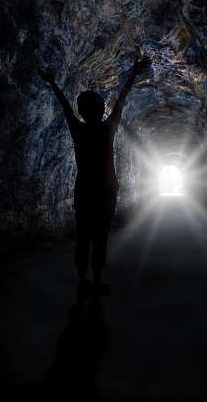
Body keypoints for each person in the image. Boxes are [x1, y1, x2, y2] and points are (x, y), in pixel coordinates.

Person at [38, 54, 152, 298]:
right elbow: (122, 97)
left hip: (84, 191)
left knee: (84, 238)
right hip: (106, 192)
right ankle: (97, 280)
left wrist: (53, 83)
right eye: (101, 105)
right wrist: (133, 72)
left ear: (82, 111)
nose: (103, 108)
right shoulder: (108, 127)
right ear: (99, 110)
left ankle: (83, 281)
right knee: (100, 239)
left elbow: (65, 106)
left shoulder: (78, 129)